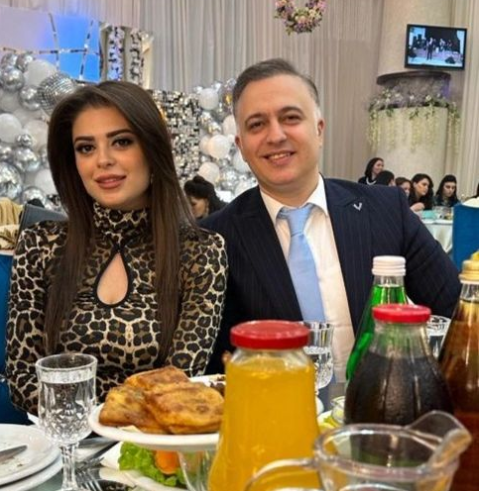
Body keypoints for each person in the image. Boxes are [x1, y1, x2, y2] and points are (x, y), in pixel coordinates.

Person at [202, 58, 461, 377]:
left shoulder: (386, 210)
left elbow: (458, 315)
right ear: (241, 146)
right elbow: (209, 367)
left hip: (378, 402)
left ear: (319, 130)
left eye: (291, 117)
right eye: (257, 124)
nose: (276, 135)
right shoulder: (213, 239)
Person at [6, 81, 227, 414]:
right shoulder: (40, 245)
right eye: (86, 148)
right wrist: (97, 417)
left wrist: (96, 411)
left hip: (152, 441)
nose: (103, 160)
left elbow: (177, 385)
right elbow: (23, 380)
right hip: (60, 441)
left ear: (152, 148)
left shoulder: (201, 252)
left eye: (121, 142)